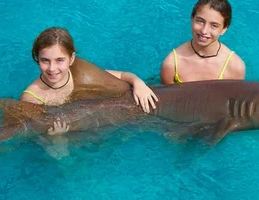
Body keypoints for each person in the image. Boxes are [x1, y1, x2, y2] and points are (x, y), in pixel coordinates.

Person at [20, 26, 158, 137]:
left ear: (72, 59)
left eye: (59, 60)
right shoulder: (32, 97)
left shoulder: (81, 74)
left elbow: (122, 75)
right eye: (45, 61)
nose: (52, 68)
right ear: (37, 59)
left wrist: (139, 83)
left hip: (102, 119)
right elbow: (35, 134)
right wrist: (56, 137)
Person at [160, 0, 245, 84]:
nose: (204, 31)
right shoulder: (172, 64)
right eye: (200, 21)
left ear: (224, 29)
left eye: (214, 25)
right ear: (192, 19)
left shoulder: (235, 67)